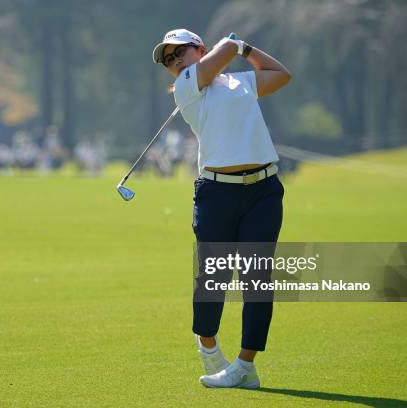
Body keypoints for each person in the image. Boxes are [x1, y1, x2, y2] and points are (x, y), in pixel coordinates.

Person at [152, 29, 291, 388]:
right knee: (212, 279)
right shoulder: (186, 86)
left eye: (180, 51)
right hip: (217, 193)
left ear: (198, 47)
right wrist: (233, 45)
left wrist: (247, 48)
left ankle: (246, 365)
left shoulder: (240, 83)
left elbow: (281, 75)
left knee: (257, 280)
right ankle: (208, 344)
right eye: (169, 59)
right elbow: (226, 49)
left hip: (263, 190)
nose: (175, 61)